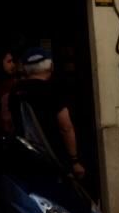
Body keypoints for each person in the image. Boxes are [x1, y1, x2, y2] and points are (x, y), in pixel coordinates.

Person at [13, 47, 84, 179]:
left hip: (25, 158)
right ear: (50, 66)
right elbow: (65, 127)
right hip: (53, 158)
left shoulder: (14, 92)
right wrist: (74, 160)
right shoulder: (53, 91)